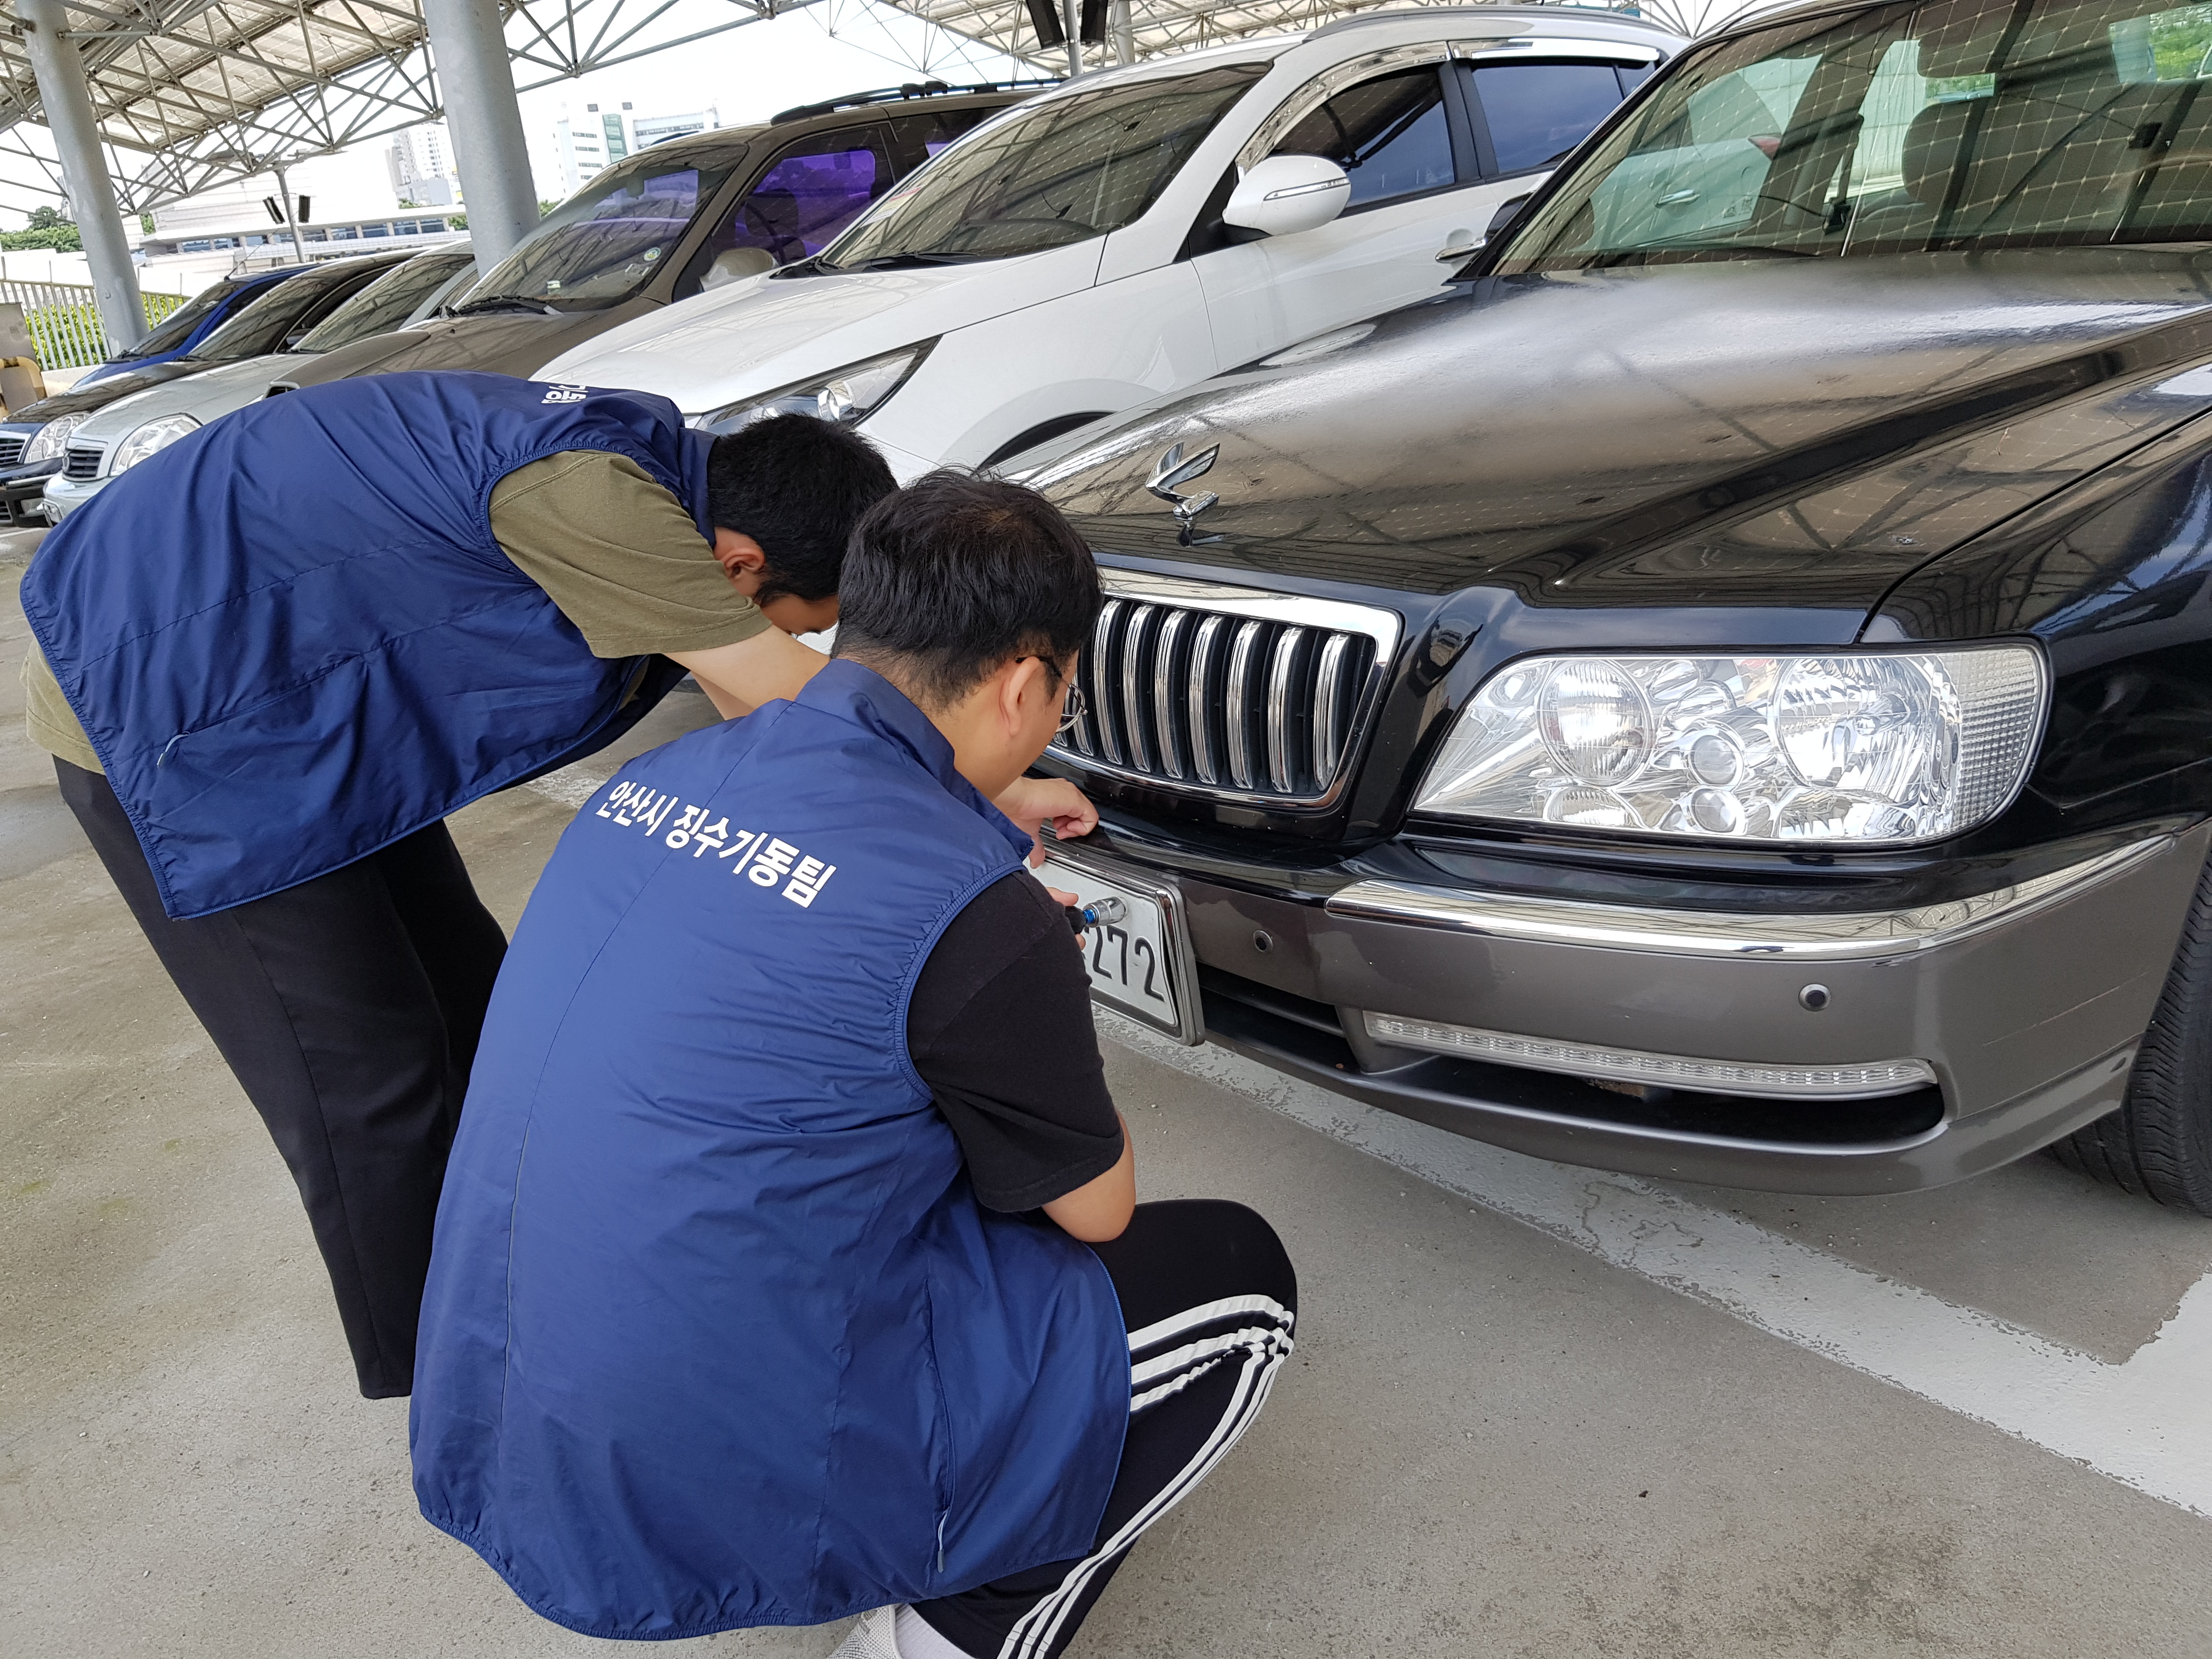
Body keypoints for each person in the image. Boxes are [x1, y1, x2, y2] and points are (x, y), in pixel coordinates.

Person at [16, 373, 1095, 1400]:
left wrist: (980, 806)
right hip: (167, 725)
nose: (809, 644)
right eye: (805, 621)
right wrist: (967, 855)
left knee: (480, 1004)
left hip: (297, 716)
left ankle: (522, 1288)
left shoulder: (665, 484)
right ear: (740, 565)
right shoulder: (600, 497)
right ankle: (447, 1381)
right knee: (365, 1080)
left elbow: (789, 734)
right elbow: (797, 709)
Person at [410, 472, 1297, 1658]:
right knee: (1240, 1281)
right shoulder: (981, 917)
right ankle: (943, 1633)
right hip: (688, 1480)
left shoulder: (656, 783)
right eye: (1061, 702)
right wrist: (1023, 973)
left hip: (503, 1417)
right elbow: (1096, 1208)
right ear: (1028, 684)